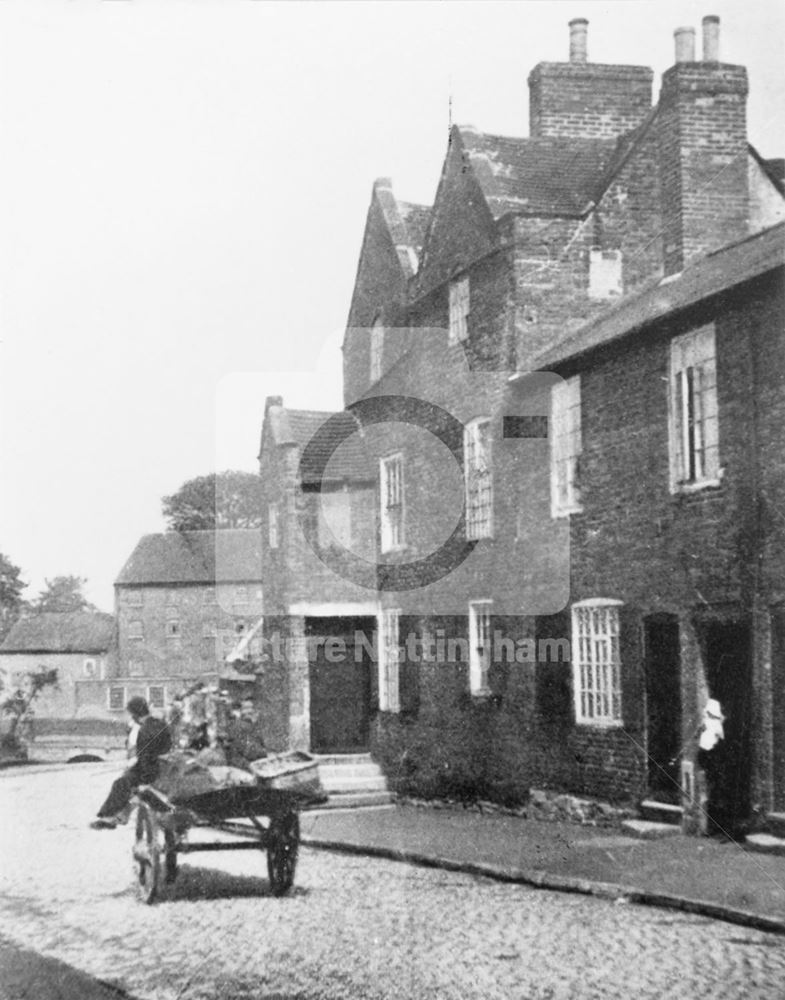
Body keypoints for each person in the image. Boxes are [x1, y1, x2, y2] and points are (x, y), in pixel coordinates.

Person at [89, 696, 172, 830]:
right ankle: (120, 815)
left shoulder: (142, 730)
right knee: (129, 784)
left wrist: (144, 780)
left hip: (151, 770)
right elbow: (167, 746)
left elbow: (145, 756)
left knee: (121, 783)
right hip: (164, 765)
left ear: (134, 714)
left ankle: (109, 816)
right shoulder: (160, 724)